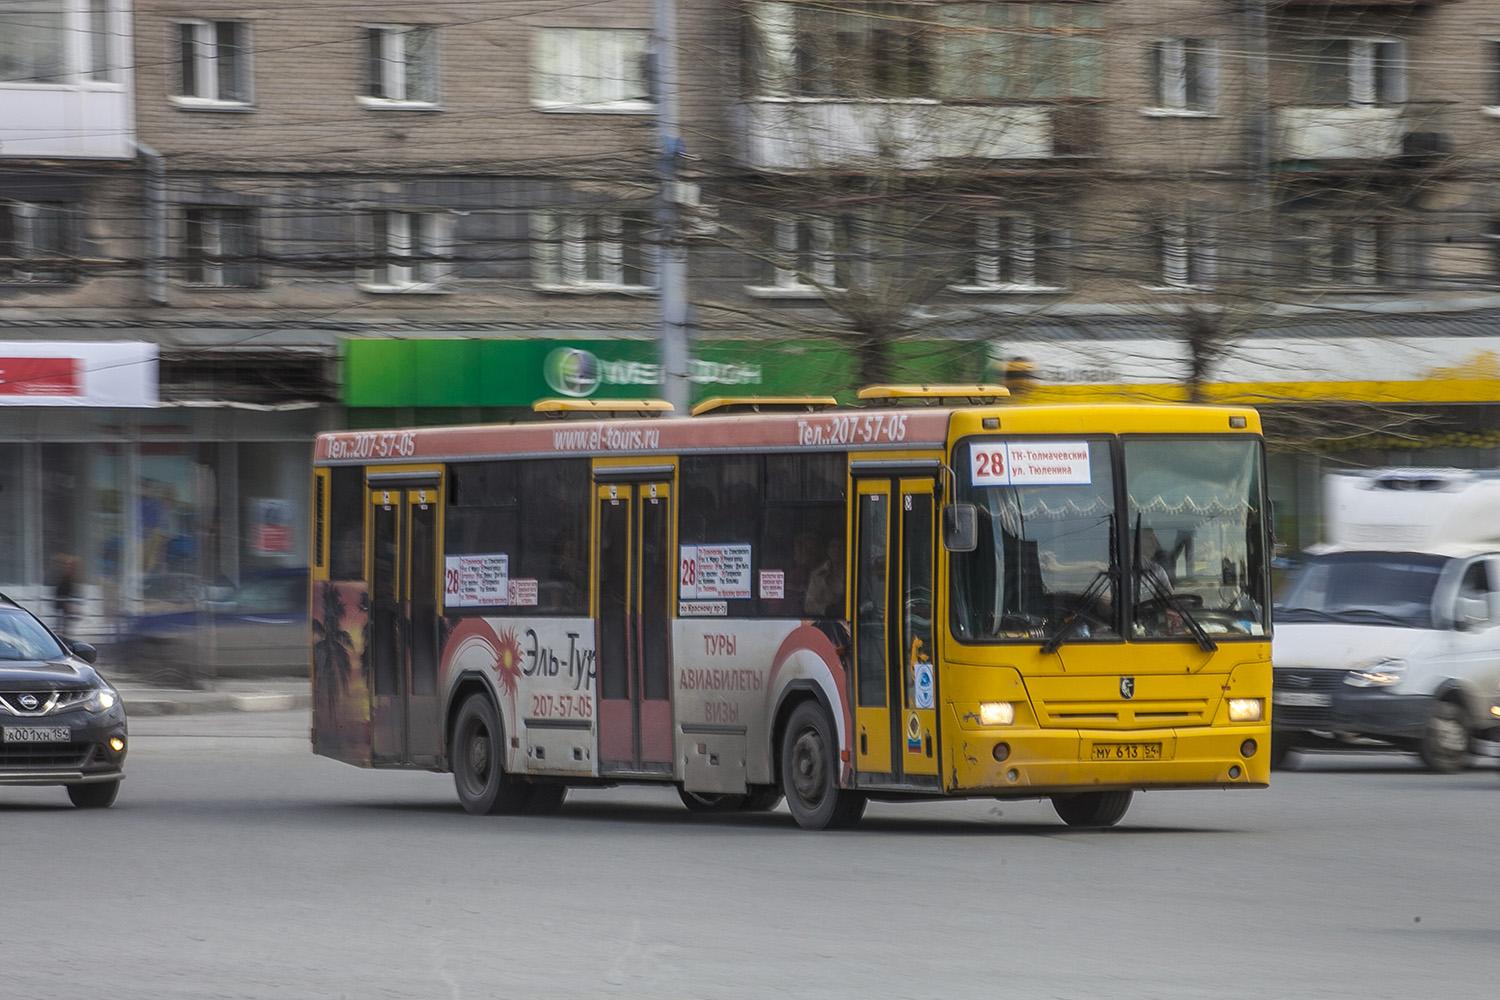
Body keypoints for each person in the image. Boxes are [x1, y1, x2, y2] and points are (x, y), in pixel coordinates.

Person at [51, 554, 81, 637]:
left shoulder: (70, 577)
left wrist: (69, 602)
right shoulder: (66, 576)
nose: (67, 567)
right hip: (62, 601)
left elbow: (70, 590)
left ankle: (63, 637)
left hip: (65, 602)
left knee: (64, 623)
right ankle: (61, 636)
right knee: (61, 622)